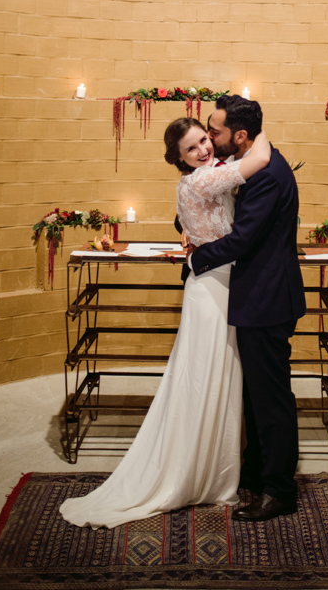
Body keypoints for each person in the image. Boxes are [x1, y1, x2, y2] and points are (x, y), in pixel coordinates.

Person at [59, 117, 271, 528]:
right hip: (213, 289)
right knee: (204, 379)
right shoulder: (200, 181)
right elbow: (260, 156)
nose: (204, 150)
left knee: (221, 380)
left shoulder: (208, 176)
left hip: (222, 283)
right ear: (179, 158)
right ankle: (193, 473)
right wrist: (254, 123)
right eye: (192, 149)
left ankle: (214, 469)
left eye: (205, 140)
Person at [190, 95, 306, 522]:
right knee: (256, 396)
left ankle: (279, 489)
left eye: (215, 131)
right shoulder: (258, 162)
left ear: (239, 135)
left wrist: (196, 260)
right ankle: (257, 475)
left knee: (271, 398)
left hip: (267, 299)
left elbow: (243, 240)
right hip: (260, 296)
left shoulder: (268, 176)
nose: (210, 138)